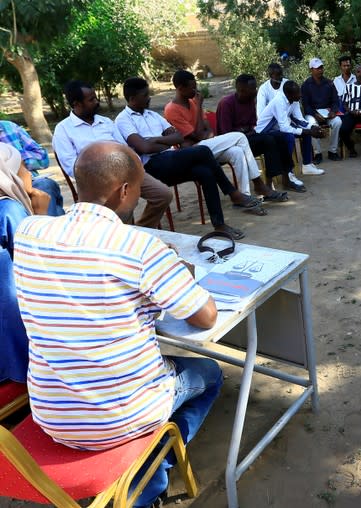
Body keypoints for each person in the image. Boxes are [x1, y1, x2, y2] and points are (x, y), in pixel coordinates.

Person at [13, 141, 223, 508]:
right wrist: (177, 272)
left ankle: (147, 473)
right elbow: (205, 316)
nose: (140, 197)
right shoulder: (139, 247)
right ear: (124, 191)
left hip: (51, 413)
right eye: (139, 188)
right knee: (210, 373)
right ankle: (149, 476)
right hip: (120, 417)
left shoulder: (29, 233)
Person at [115, 79, 259, 239]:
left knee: (205, 172)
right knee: (203, 151)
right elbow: (144, 148)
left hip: (171, 159)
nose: (149, 98)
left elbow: (177, 137)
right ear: (132, 98)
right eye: (145, 95)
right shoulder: (123, 120)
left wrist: (154, 140)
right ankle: (232, 192)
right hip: (152, 167)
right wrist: (161, 142)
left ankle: (219, 225)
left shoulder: (152, 115)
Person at [52, 80, 172, 229]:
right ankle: (127, 238)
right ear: (77, 104)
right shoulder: (63, 129)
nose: (96, 102)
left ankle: (141, 230)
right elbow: (71, 166)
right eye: (91, 100)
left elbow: (125, 148)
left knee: (163, 195)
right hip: (95, 184)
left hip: (126, 173)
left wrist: (134, 165)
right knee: (124, 207)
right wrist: (105, 177)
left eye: (95, 97)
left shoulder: (106, 122)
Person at [164, 71, 269, 204]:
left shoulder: (192, 102)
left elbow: (208, 131)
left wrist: (202, 134)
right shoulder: (172, 109)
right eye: (192, 87)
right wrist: (199, 107)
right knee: (240, 137)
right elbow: (197, 135)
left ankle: (244, 196)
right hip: (191, 153)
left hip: (207, 146)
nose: (196, 90)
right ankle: (258, 183)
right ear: (180, 88)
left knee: (238, 152)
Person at [0, 142, 50, 383]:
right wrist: (40, 218)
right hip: (19, 351)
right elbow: (43, 268)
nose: (28, 174)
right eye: (22, 167)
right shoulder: (9, 211)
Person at [215, 74, 305, 194]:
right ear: (242, 89)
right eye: (253, 88)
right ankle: (267, 184)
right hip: (233, 145)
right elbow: (227, 134)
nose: (256, 91)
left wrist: (243, 130)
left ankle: (286, 179)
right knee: (268, 140)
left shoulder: (250, 101)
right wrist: (244, 130)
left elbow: (253, 125)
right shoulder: (226, 103)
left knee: (280, 136)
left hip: (248, 137)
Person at [256, 80, 327, 176]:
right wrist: (307, 131)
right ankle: (288, 172)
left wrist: (313, 127)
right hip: (265, 131)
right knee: (289, 137)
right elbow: (285, 128)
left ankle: (307, 165)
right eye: (298, 93)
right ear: (289, 95)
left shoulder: (294, 100)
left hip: (278, 128)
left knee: (306, 133)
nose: (300, 95)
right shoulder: (279, 102)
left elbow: (299, 120)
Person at [0, 120, 64, 216]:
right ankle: (44, 227)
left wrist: (16, 159)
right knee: (10, 208)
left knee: (45, 185)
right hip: (4, 191)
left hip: (30, 181)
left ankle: (44, 225)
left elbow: (43, 158)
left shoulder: (9, 127)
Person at [301, 58, 343, 162]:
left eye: (321, 67)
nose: (320, 70)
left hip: (327, 113)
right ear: (311, 70)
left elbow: (335, 101)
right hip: (313, 113)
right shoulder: (306, 85)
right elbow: (306, 105)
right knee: (311, 124)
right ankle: (317, 153)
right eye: (317, 68)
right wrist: (315, 114)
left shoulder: (329, 83)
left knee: (338, 122)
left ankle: (332, 151)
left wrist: (333, 111)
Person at [339, 64, 361, 158]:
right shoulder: (348, 86)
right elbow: (345, 104)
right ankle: (351, 148)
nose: (360, 74)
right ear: (355, 73)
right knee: (342, 130)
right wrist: (351, 111)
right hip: (352, 114)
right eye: (358, 72)